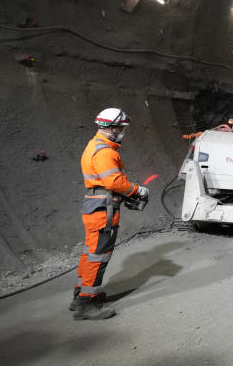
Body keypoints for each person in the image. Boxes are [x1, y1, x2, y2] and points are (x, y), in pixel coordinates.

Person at [70, 107, 149, 320]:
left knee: (90, 253)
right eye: (121, 127)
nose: (123, 131)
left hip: (94, 204)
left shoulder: (94, 145)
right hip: (103, 209)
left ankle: (80, 296)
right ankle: (86, 305)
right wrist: (137, 190)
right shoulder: (105, 152)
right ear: (111, 127)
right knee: (99, 255)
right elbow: (113, 182)